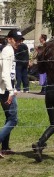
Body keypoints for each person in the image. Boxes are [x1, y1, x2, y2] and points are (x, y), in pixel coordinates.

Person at [0, 29, 21, 158]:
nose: (18, 42)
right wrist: (11, 91)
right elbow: (5, 73)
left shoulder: (9, 50)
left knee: (9, 117)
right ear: (9, 39)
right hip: (6, 90)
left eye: (20, 40)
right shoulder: (8, 51)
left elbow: (10, 73)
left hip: (7, 88)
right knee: (13, 119)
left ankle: (5, 147)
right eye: (16, 39)